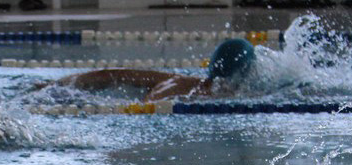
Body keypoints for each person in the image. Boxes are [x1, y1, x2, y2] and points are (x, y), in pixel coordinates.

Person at [38, 37, 257, 102]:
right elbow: (147, 106)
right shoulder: (197, 92)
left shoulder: (179, 80)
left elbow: (111, 74)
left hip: (75, 94)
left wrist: (55, 84)